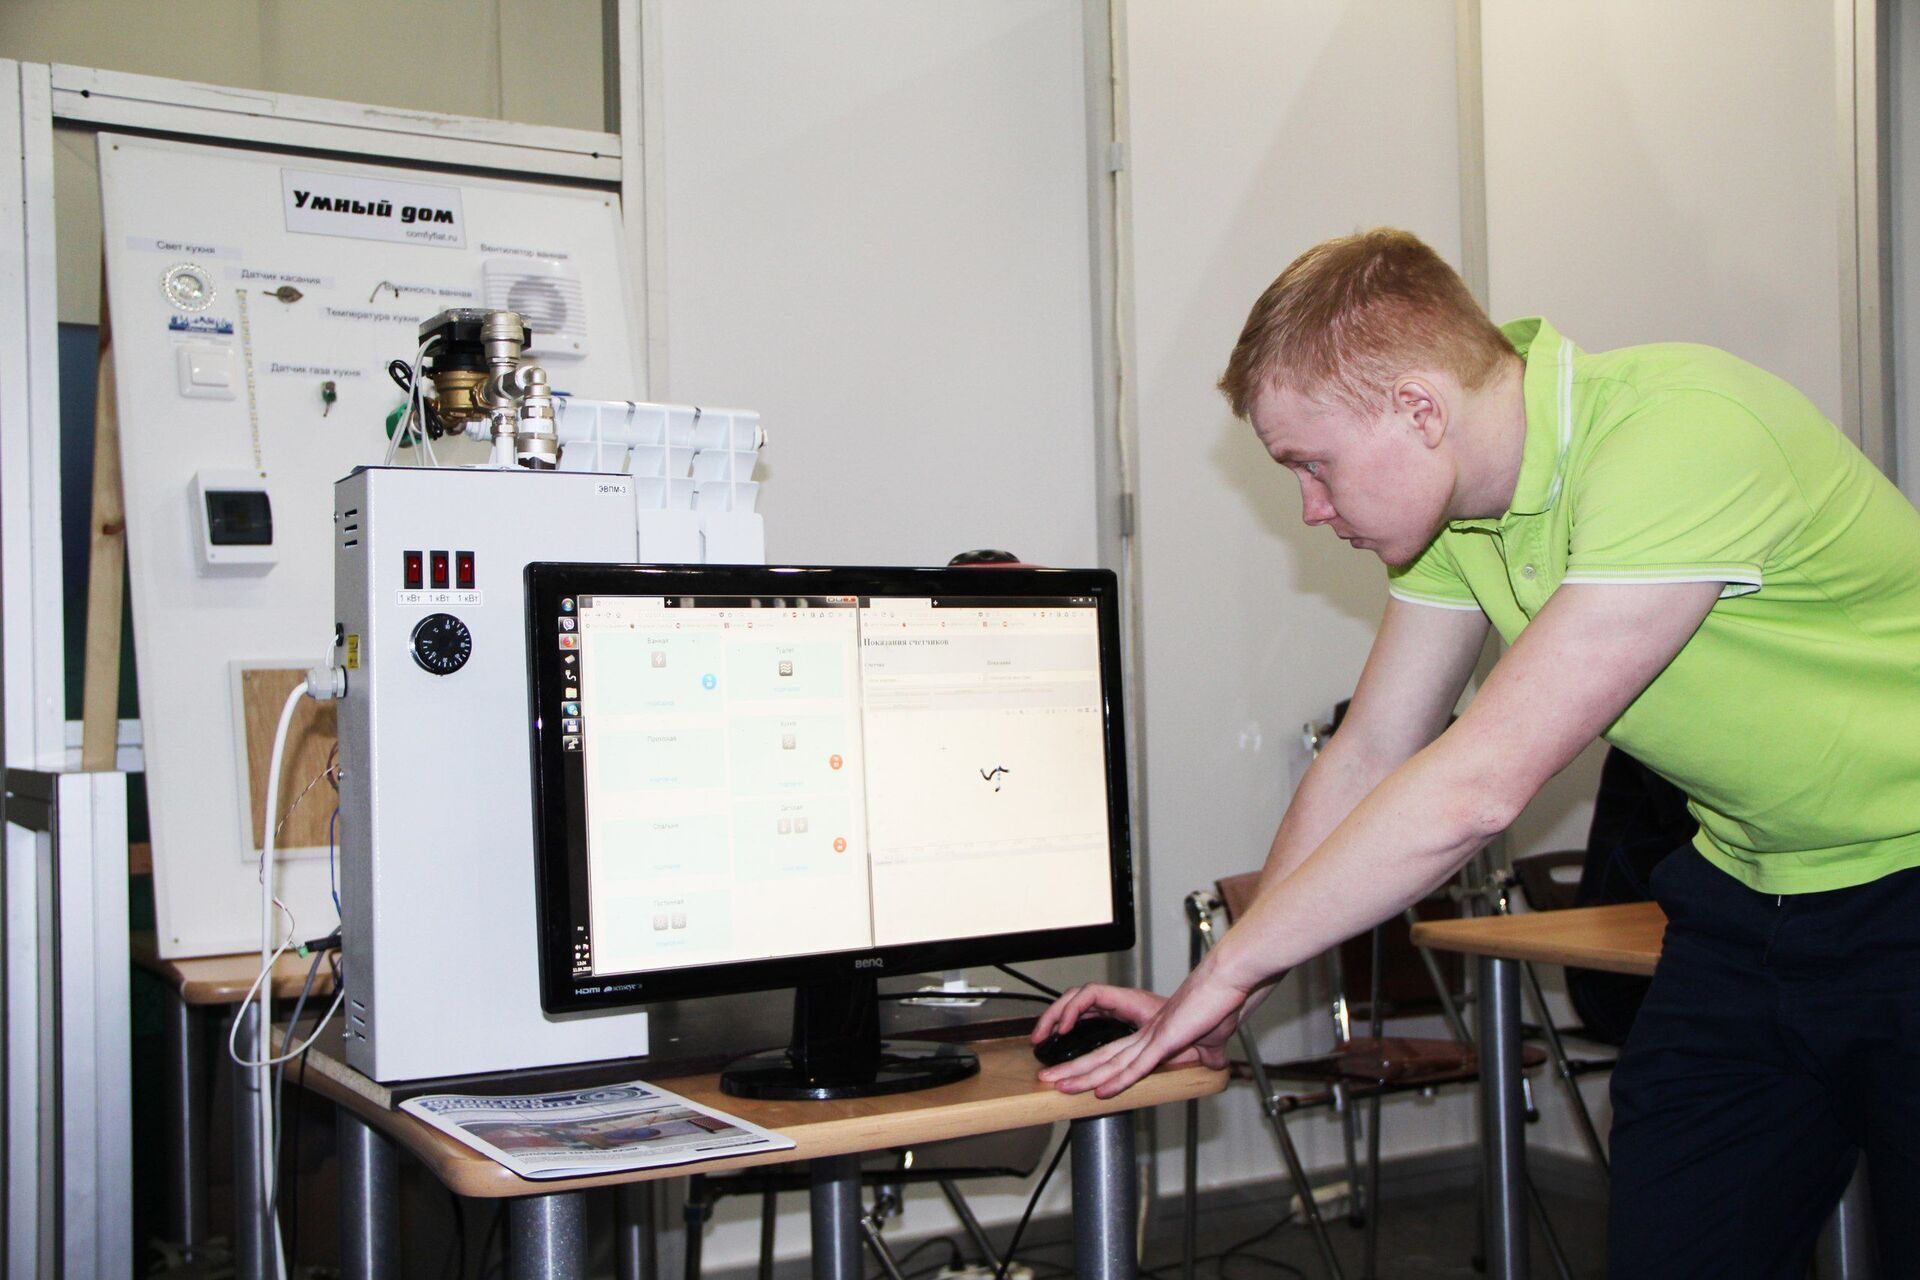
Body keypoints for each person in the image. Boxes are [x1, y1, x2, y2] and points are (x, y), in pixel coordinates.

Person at [1031, 229, 1920, 1277]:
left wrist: (1229, 971)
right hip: (1746, 904)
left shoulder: (1681, 432)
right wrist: (1221, 992)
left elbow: (1479, 787)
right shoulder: (1462, 517)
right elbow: (1368, 755)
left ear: (1419, 408)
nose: (1312, 508)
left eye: (1313, 464)